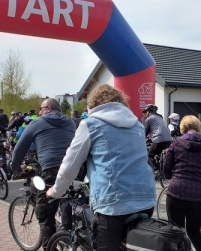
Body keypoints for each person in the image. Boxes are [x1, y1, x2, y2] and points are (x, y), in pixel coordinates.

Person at [46, 84, 156, 250]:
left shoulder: (90, 124)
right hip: (145, 199)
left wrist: (55, 191)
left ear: (93, 105)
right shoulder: (137, 125)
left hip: (112, 203)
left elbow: (70, 165)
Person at [10, 98, 76, 250]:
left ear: (48, 108)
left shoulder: (36, 123)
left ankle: (49, 247)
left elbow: (19, 149)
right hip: (75, 169)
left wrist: (15, 168)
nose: (39, 112)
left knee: (45, 215)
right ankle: (68, 234)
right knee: (69, 203)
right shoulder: (71, 122)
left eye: (41, 108)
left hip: (50, 170)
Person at [163, 115, 201, 251]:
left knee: (176, 232)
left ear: (183, 127)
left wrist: (171, 176)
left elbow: (166, 168)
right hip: (198, 193)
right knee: (194, 232)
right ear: (198, 127)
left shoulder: (176, 142)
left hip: (177, 191)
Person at [143, 104, 172, 171]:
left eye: (145, 112)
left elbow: (144, 133)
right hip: (169, 139)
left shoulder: (149, 119)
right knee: (158, 152)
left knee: (149, 155)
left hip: (158, 139)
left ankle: (157, 170)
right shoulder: (160, 117)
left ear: (148, 112)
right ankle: (165, 169)